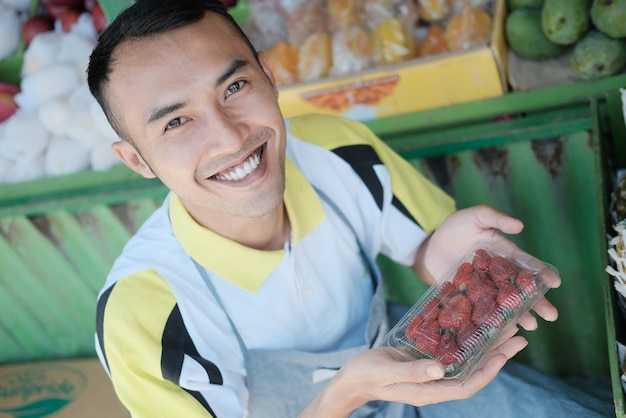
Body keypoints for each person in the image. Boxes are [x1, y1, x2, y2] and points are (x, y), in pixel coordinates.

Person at [87, 0, 615, 417]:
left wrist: (444, 252)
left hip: (418, 384)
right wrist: (343, 397)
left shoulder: (336, 149)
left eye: (235, 86)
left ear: (269, 76)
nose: (230, 137)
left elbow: (426, 249)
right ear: (137, 159)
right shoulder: (143, 311)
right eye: (176, 122)